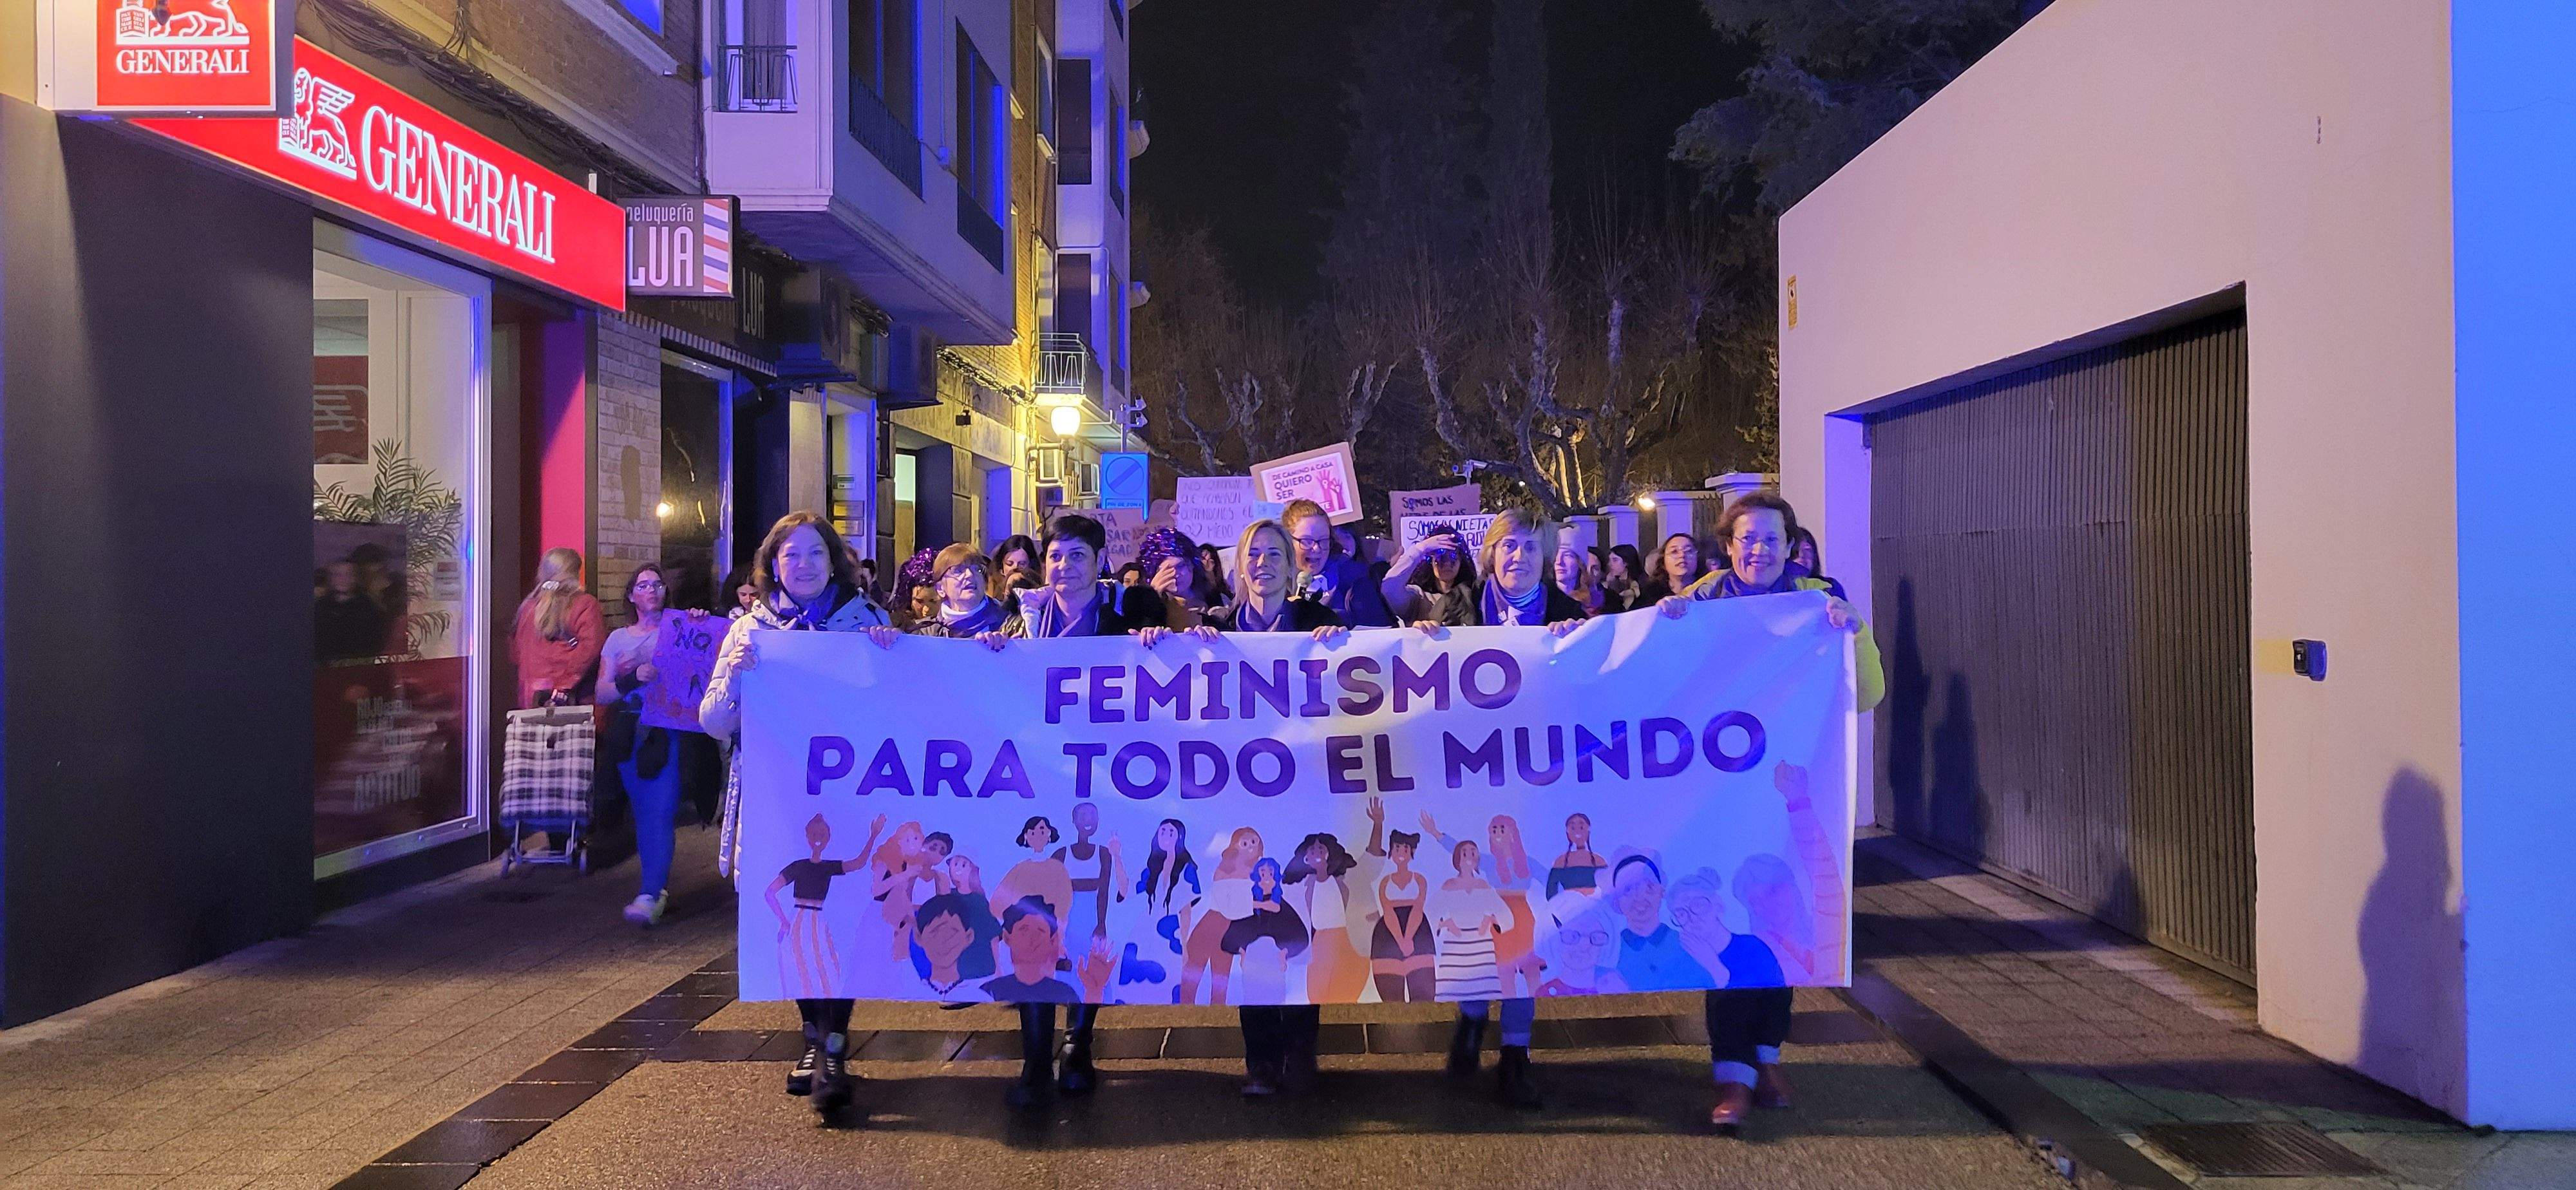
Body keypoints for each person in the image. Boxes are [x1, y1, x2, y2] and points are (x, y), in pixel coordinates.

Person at [1658, 490, 1884, 1128]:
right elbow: (1653, 683)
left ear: (1790, 545)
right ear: (1728, 546)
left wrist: (1853, 632)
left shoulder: (1818, 602)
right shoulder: (1700, 602)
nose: (1758, 550)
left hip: (1786, 791)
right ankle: (1732, 1074)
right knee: (1728, 926)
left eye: (1771, 539)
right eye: (1747, 539)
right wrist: (1660, 626)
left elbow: (1868, 693)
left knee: (1781, 925)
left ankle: (1767, 1055)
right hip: (1717, 794)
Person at [699, 512, 899, 1120]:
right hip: (778, 802)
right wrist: (737, 678)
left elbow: (902, 708)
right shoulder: (751, 630)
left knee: (843, 917)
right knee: (797, 923)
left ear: (833, 560)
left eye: (815, 553)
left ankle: (834, 1043)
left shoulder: (865, 621)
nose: (804, 565)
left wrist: (891, 659)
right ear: (773, 565)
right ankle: (814, 1037)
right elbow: (714, 722)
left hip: (847, 800)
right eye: (791, 555)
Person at [1142, 517, 1351, 1096]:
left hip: (1303, 797)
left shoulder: (1319, 624)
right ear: (1240, 566)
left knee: (1299, 925)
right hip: (1240, 806)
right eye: (1253, 554)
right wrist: (1155, 640)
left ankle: (1301, 1048)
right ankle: (1260, 1058)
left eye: (1274, 554)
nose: (1263, 564)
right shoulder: (1214, 629)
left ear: (1292, 564)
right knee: (1252, 932)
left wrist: (1343, 644)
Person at [1394, 509, 1584, 1108]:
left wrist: (1581, 643)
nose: (1518, 557)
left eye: (1530, 547)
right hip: (1470, 789)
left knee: (1522, 930)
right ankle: (1472, 1019)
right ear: (1491, 554)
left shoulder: (1570, 616)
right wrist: (1420, 641)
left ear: (1545, 557)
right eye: (1507, 546)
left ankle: (1518, 1052)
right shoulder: (1458, 608)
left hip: (1537, 793)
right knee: (1475, 921)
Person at [986, 511, 1165, 1107]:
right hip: (1037, 792)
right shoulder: (1020, 625)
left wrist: (1154, 648)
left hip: (1099, 789)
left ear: (1100, 562)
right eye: (1056, 557)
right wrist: (989, 653)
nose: (1064, 568)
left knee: (1086, 919)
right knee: (1033, 913)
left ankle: (1078, 1042)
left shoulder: (1123, 625)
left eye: (1078, 557)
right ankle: (1035, 1056)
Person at [594, 563, 712, 927]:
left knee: (659, 810)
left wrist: (699, 623)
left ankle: (651, 891)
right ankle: (652, 888)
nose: (652, 591)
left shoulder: (681, 628)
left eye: (657, 584)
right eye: (643, 585)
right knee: (644, 811)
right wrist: (631, 679)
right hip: (630, 731)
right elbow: (602, 692)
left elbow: (705, 659)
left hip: (667, 729)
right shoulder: (618, 639)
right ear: (631, 595)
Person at [511, 547, 605, 708]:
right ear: (575, 572)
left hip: (531, 698)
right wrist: (564, 685)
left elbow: (516, 653)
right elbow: (591, 649)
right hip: (567, 699)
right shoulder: (584, 604)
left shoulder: (527, 608)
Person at [1282, 498, 1394, 627]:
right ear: (1287, 541)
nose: (1317, 548)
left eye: (1324, 540)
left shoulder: (1356, 582)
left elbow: (1379, 633)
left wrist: (1341, 631)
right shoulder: (1271, 585)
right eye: (1307, 541)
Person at [904, 544, 1019, 638]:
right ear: (941, 588)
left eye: (977, 569)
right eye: (958, 571)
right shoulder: (921, 633)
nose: (970, 575)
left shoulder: (1009, 627)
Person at [1377, 525, 1481, 626]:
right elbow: (1389, 587)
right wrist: (1421, 548)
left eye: (1453, 557)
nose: (1447, 564)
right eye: (1441, 558)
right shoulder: (1418, 598)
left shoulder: (1474, 595)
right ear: (1431, 561)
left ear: (1461, 561)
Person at [1139, 527, 1217, 628]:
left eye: (1181, 566)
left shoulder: (1212, 597)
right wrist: (1153, 597)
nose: (1175, 573)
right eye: (1167, 569)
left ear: (1192, 565)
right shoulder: (1143, 603)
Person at [1638, 531, 1711, 604]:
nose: (1682, 555)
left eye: (1688, 551)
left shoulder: (1711, 589)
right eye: (1674, 552)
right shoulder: (1648, 594)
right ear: (1663, 561)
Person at [1597, 543, 1647, 615]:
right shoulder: (1605, 586)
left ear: (1626, 562)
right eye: (1609, 560)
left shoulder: (1641, 586)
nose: (1610, 564)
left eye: (1615, 560)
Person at [1551, 543, 1598, 616]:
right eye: (1556, 555)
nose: (1559, 562)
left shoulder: (1596, 599)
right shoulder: (1545, 599)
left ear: (1580, 563)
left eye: (1567, 555)